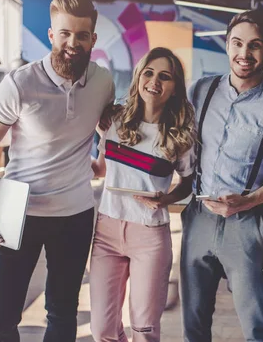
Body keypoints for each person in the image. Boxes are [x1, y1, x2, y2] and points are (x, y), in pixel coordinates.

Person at [0, 0, 115, 341]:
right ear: (51, 35)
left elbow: (104, 129)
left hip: (75, 215)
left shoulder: (103, 82)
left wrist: (96, 162)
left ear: (93, 39)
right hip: (17, 214)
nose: (72, 43)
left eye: (81, 36)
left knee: (62, 315)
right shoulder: (19, 84)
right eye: (64, 34)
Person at [179, 9, 263, 342]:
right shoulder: (200, 91)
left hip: (246, 225)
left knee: (256, 323)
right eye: (237, 43)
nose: (244, 54)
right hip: (199, 217)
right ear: (226, 44)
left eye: (255, 45)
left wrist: (249, 200)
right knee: (193, 321)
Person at [89, 47, 196, 342]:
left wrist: (167, 199)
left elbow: (187, 182)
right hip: (107, 229)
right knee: (102, 329)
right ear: (138, 77)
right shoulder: (113, 121)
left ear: (175, 88)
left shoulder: (180, 134)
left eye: (165, 77)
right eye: (149, 73)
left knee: (144, 328)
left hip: (149, 234)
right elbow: (102, 168)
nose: (155, 82)